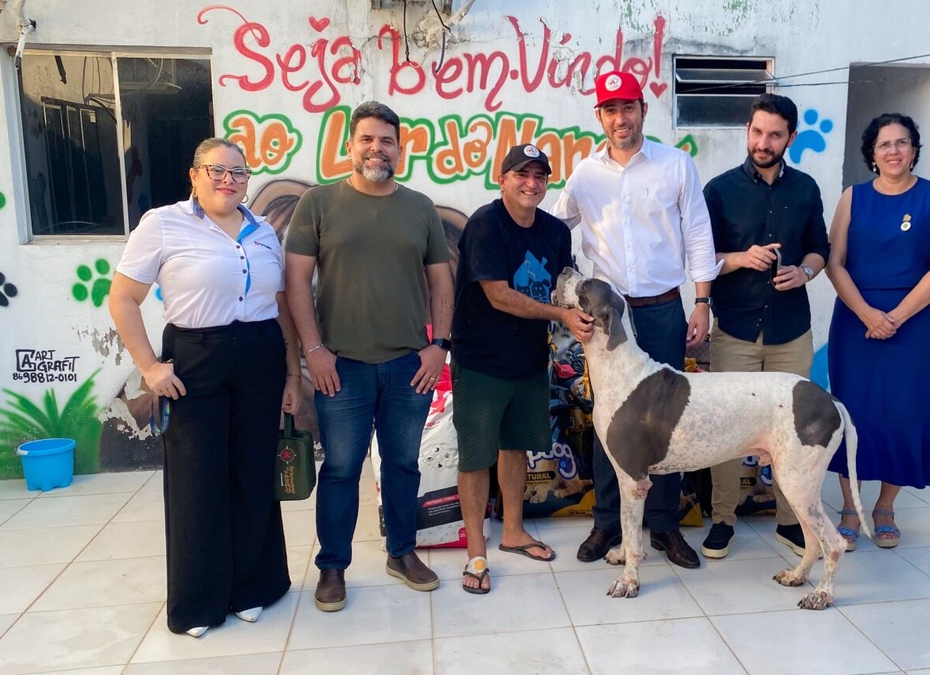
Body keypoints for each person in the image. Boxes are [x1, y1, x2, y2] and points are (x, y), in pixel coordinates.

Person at [109, 138, 300, 637]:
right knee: (198, 478)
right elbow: (123, 298)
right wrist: (149, 366)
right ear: (194, 175)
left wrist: (291, 372)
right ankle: (199, 602)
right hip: (196, 359)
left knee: (253, 471)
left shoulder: (263, 232)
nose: (229, 180)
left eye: (239, 172)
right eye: (217, 170)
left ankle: (253, 586)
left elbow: (279, 305)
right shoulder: (163, 223)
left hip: (259, 355)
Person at [285, 101, 453, 610]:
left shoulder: (420, 207)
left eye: (386, 140)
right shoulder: (318, 203)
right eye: (367, 139)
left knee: (403, 464)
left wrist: (438, 347)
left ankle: (401, 552)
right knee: (340, 468)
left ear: (400, 149)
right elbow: (295, 282)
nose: (376, 148)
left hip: (409, 365)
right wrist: (313, 351)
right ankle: (332, 567)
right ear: (350, 146)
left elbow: (441, 282)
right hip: (341, 367)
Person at [553, 70, 720, 569]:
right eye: (610, 109)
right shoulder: (584, 174)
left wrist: (702, 301)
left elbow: (697, 234)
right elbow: (555, 227)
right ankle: (608, 522)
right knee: (611, 423)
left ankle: (665, 525)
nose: (620, 118)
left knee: (665, 424)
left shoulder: (676, 165)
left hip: (663, 310)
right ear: (599, 116)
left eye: (628, 107)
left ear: (643, 110)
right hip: (605, 319)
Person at [451, 144, 594, 593]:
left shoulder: (554, 231)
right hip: (481, 361)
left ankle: (512, 531)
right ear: (503, 178)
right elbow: (499, 295)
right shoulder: (485, 225)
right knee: (476, 457)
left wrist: (590, 311)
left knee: (515, 447)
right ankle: (476, 554)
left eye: (539, 176)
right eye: (521, 174)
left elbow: (565, 285)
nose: (531, 183)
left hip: (530, 360)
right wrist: (563, 317)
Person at [701, 93, 830, 560]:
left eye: (775, 134)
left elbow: (821, 248)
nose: (764, 142)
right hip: (735, 329)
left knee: (793, 431)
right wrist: (738, 258)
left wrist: (806, 272)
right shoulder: (718, 190)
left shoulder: (807, 188)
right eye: (757, 132)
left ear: (790, 138)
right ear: (747, 132)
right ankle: (722, 520)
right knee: (726, 431)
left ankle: (791, 521)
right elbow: (699, 258)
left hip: (790, 331)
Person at [824, 113, 930, 549]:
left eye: (902, 143)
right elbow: (834, 261)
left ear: (914, 149)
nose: (894, 151)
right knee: (853, 416)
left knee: (904, 413)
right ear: (873, 154)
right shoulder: (853, 198)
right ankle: (848, 506)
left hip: (913, 325)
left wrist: (895, 316)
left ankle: (884, 508)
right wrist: (867, 314)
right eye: (885, 144)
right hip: (856, 322)